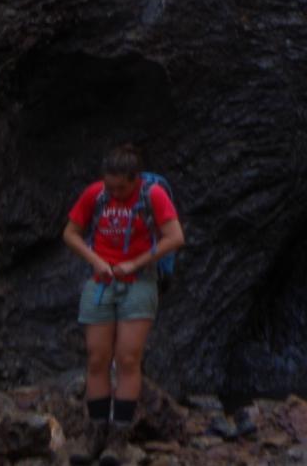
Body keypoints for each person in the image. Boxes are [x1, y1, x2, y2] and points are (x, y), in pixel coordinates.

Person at [61, 144, 184, 451]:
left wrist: (136, 262)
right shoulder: (96, 195)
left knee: (128, 359)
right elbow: (71, 233)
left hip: (138, 283)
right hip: (101, 281)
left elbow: (175, 236)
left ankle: (118, 438)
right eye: (109, 186)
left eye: (121, 187)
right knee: (97, 358)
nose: (114, 193)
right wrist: (96, 261)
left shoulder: (152, 195)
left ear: (136, 180)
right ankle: (95, 433)